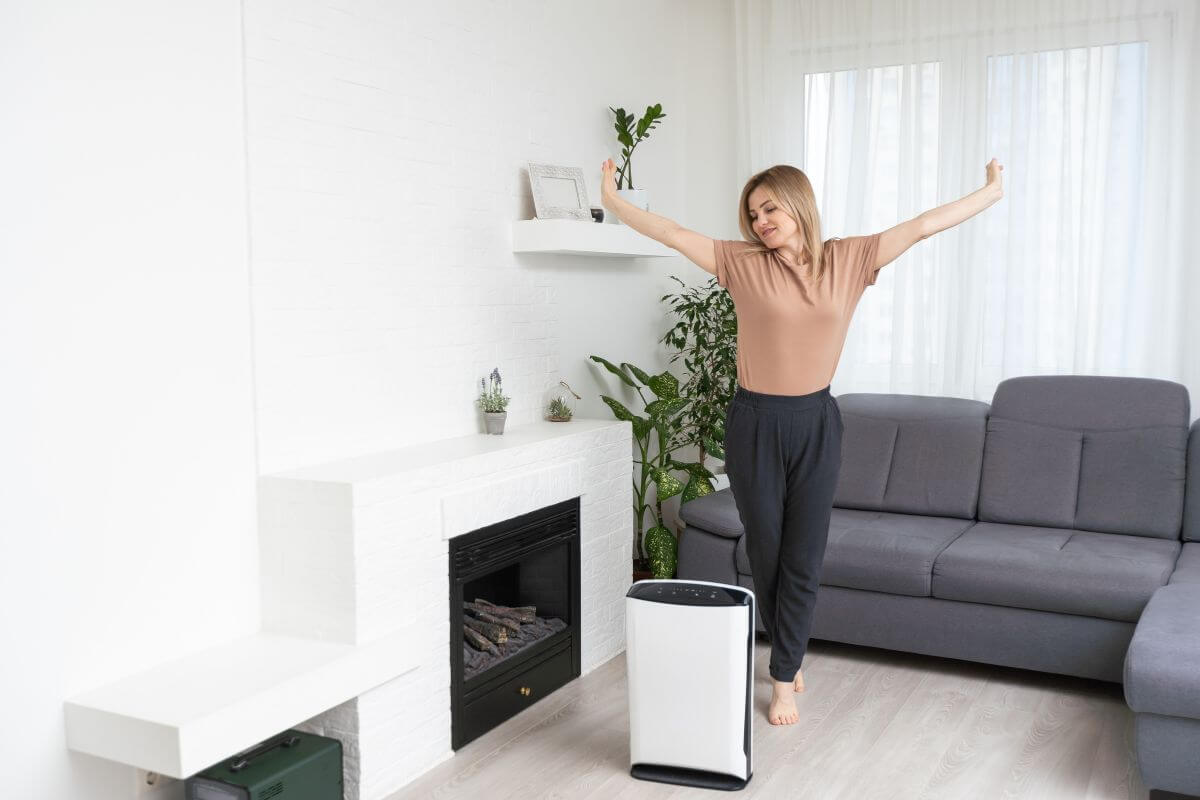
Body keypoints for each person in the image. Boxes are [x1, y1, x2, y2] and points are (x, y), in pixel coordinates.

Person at [600, 156, 1004, 726]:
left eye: (770, 208)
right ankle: (790, 652)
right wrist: (612, 199)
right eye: (752, 213)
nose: (760, 220)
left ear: (798, 203)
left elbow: (921, 225)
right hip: (753, 423)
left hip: (816, 422)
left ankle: (783, 674)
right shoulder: (740, 263)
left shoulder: (850, 258)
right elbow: (668, 232)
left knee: (805, 554)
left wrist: (989, 192)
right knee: (766, 549)